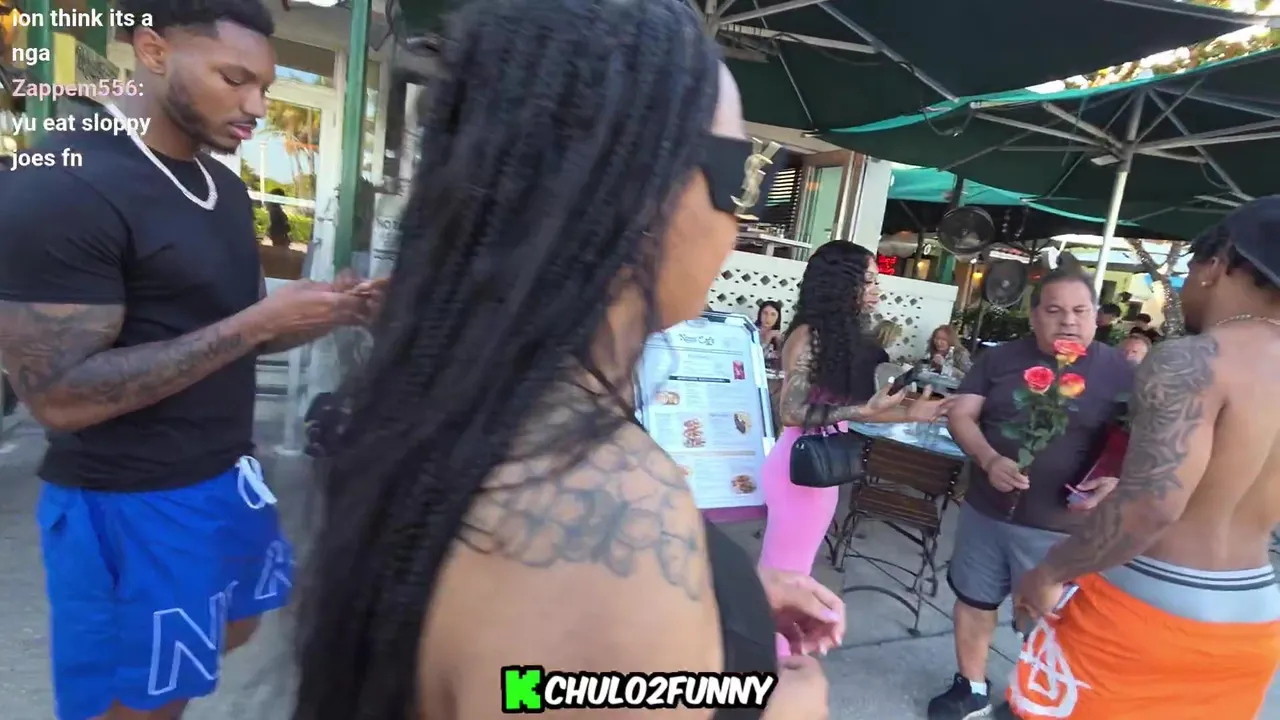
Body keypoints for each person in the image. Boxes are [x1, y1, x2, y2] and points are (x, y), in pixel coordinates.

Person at [291, 2, 830, 719]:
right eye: (737, 180)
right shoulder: (602, 503)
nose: (738, 220)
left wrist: (721, 605)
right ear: (636, 191)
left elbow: (536, 683)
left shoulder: (460, 402)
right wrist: (789, 704)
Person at [0, 2, 383, 718]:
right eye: (234, 80)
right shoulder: (62, 184)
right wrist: (253, 323)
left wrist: (331, 310)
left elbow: (237, 335)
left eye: (264, 86)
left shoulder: (222, 187)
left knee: (227, 633)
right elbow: (57, 395)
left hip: (224, 478)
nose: (256, 106)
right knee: (141, 700)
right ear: (152, 50)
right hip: (127, 505)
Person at [1007, 200, 1280, 719]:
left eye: (1190, 268)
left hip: (1149, 608)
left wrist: (1049, 572)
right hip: (1255, 617)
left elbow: (1151, 507)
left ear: (1217, 263)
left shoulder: (1193, 359)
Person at [927, 268, 1134, 720]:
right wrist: (988, 459)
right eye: (1054, 310)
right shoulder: (1000, 359)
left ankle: (1037, 699)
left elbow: (1146, 440)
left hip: (1062, 529)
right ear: (1034, 315)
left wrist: (1119, 477)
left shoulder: (1119, 371)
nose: (1068, 321)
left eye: (1080, 310)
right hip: (986, 511)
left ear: (1096, 316)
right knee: (974, 599)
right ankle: (971, 687)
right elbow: (961, 414)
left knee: (1049, 620)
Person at [759, 242, 948, 655]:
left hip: (815, 470)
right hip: (800, 472)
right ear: (843, 284)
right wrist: (864, 408)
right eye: (870, 280)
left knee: (789, 575)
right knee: (786, 581)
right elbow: (791, 412)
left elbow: (851, 414)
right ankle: (772, 666)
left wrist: (915, 413)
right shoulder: (807, 337)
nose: (878, 288)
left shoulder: (835, 340)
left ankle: (771, 659)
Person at [757, 300, 784, 368]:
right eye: (765, 313)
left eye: (773, 314)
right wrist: (766, 341)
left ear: (778, 318)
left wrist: (780, 345)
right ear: (760, 314)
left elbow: (785, 362)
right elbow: (755, 357)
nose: (768, 318)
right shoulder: (750, 333)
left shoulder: (779, 336)